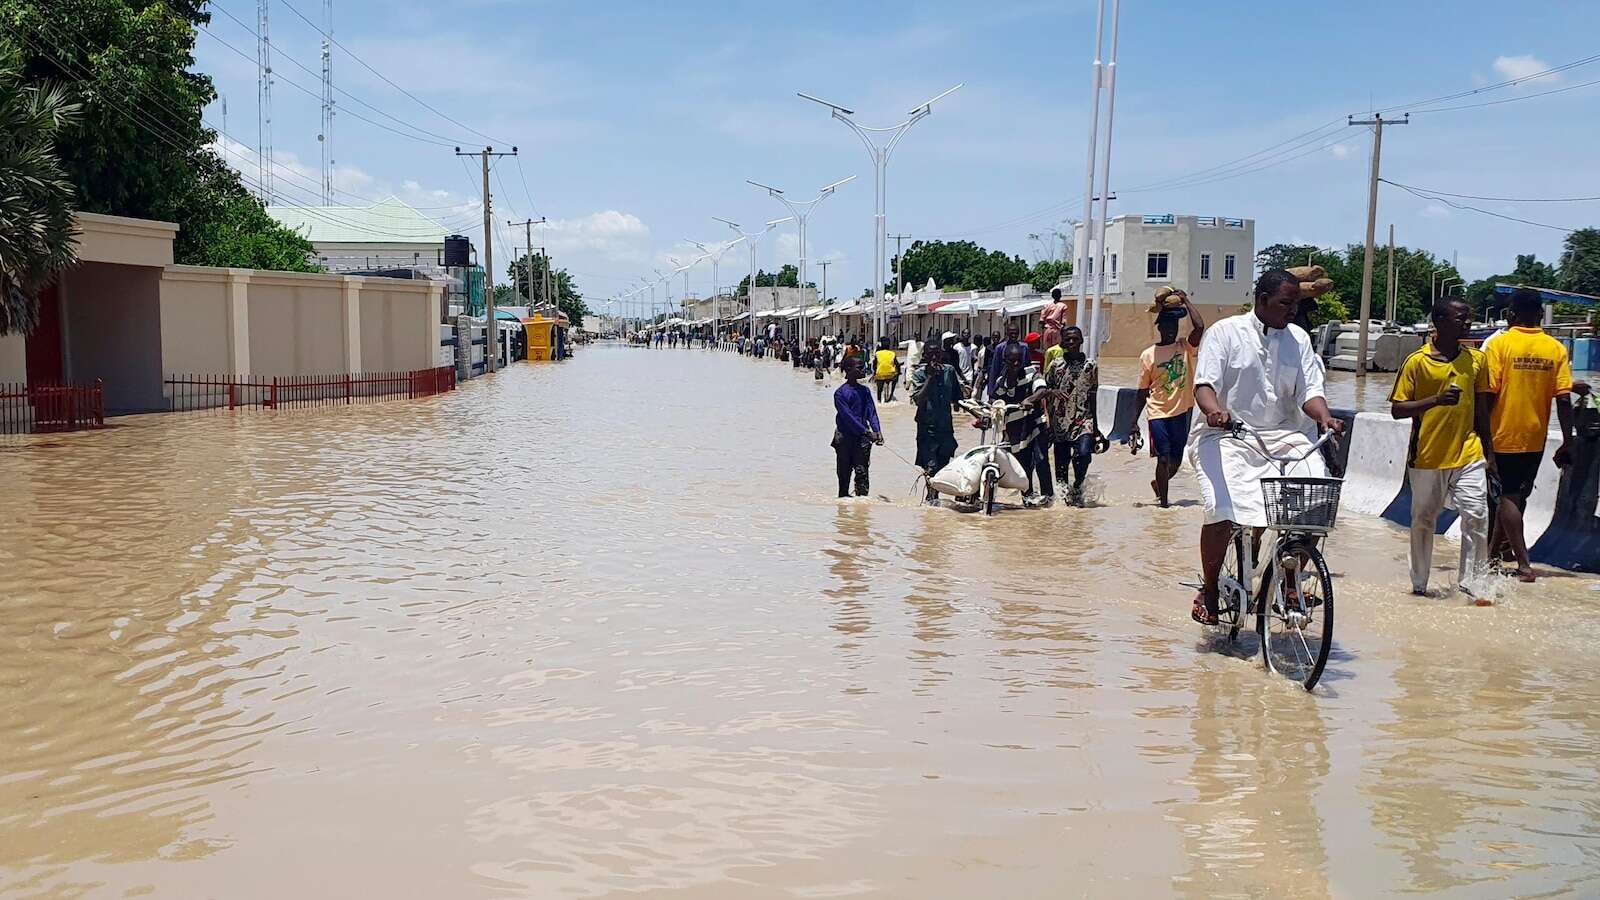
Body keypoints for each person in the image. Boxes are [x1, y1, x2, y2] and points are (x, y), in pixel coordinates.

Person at [1189, 269, 1345, 626]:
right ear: (1262, 301)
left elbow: (1310, 393)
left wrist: (1325, 418)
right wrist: (1215, 413)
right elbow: (1204, 386)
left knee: (1315, 503)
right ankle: (1211, 590)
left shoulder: (1299, 339)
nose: (1292, 311)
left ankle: (1289, 580)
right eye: (1285, 304)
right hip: (1226, 434)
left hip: (1284, 436)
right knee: (1221, 508)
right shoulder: (1225, 333)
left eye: (1295, 304)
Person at [1390, 296, 1495, 596]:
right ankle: (1419, 584)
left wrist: (1489, 453)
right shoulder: (1417, 362)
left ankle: (1473, 585)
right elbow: (1397, 409)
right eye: (1460, 317)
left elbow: (1482, 410)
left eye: (1468, 317)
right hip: (1427, 455)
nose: (1467, 322)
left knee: (1477, 514)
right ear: (1439, 322)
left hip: (1469, 451)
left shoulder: (1477, 360)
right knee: (1423, 520)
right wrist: (1434, 401)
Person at [1482, 287, 1578, 582]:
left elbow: (1487, 396)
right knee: (1516, 496)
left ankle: (1523, 565)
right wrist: (1567, 440)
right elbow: (1563, 399)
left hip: (1503, 434)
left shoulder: (1499, 345)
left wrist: (1485, 442)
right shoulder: (1556, 348)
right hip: (1535, 436)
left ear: (1510, 314)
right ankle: (1492, 557)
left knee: (1507, 498)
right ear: (1540, 314)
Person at [1134, 294, 1207, 507]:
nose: (1171, 330)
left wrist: (1185, 301)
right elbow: (1141, 392)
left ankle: (1159, 484)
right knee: (1163, 458)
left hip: (1183, 411)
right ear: (1159, 328)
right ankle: (1164, 504)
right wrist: (1132, 423)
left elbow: (1200, 327)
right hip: (1157, 412)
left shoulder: (1184, 347)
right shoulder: (1148, 355)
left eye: (1174, 326)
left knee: (1175, 460)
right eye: (1166, 326)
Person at [1037, 326, 1099, 506]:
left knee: (1084, 454)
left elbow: (1093, 394)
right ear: (1062, 342)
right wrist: (1047, 422)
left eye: (1075, 339)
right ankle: (1064, 505)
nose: (1071, 343)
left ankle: (1078, 486)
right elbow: (1044, 393)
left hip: (1083, 420)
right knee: (1061, 469)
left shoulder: (1091, 366)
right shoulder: (1055, 365)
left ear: (1081, 341)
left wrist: (1096, 425)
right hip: (1059, 422)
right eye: (1067, 339)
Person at [991, 342, 1052, 505]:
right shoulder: (1001, 383)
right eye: (1012, 361)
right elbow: (995, 401)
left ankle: (1049, 497)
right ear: (1005, 361)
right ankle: (1027, 496)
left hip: (1035, 424)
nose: (1016, 364)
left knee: (1041, 459)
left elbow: (1042, 390)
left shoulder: (1032, 373)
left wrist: (1030, 399)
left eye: (1019, 360)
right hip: (1015, 429)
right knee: (1023, 464)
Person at [911, 341, 962, 503]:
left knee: (943, 469)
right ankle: (931, 504)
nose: (934, 357)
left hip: (946, 429)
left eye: (937, 354)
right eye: (930, 354)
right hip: (927, 430)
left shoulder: (949, 371)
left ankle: (935, 503)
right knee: (930, 468)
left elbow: (958, 399)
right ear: (924, 356)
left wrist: (977, 413)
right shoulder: (919, 374)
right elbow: (918, 400)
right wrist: (931, 377)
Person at [833, 355, 883, 498]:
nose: (864, 370)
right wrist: (867, 432)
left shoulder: (865, 391)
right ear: (849, 369)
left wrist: (877, 431)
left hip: (862, 441)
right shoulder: (840, 394)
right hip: (844, 439)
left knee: (862, 474)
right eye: (860, 368)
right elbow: (848, 417)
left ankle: (861, 514)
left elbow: (871, 412)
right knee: (844, 475)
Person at [979, 322, 1024, 401]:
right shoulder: (1000, 348)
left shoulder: (1024, 347)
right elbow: (994, 370)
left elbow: (1027, 366)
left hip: (1019, 383)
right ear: (1007, 333)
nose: (1014, 335)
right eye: (1011, 333)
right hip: (1002, 383)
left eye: (1016, 333)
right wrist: (991, 392)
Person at [874, 337, 901, 402]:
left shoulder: (877, 353)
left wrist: (875, 372)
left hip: (880, 375)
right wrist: (899, 372)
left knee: (879, 388)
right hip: (891, 375)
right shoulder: (892, 353)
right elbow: (897, 364)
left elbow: (874, 365)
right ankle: (891, 394)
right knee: (895, 378)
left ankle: (879, 399)